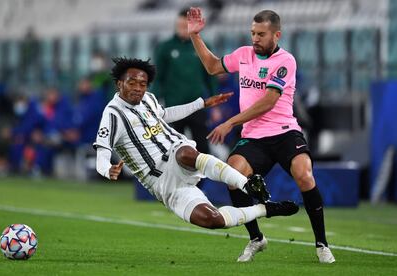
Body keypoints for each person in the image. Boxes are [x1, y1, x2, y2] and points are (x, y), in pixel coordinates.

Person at [187, 7, 335, 263]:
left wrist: (230, 122)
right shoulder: (244, 54)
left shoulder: (285, 61)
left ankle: (321, 244)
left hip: (284, 131)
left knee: (304, 173)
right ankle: (256, 239)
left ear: (276, 35)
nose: (255, 38)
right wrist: (195, 36)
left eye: (261, 34)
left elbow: (268, 101)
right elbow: (212, 67)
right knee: (233, 177)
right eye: (253, 33)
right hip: (254, 137)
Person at [93, 57, 298, 235]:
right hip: (163, 183)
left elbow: (164, 114)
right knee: (213, 220)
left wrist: (202, 103)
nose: (138, 88)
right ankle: (265, 209)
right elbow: (102, 151)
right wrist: (106, 170)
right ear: (119, 84)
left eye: (143, 83)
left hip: (174, 151)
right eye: (132, 83)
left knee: (184, 153)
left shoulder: (148, 99)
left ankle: (247, 185)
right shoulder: (112, 115)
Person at [152, 8, 218, 154]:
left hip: (197, 104)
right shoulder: (165, 47)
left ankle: (203, 177)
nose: (182, 29)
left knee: (202, 146)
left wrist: (215, 106)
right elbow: (158, 78)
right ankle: (176, 177)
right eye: (179, 26)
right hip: (173, 107)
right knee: (174, 147)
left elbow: (211, 75)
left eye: (185, 26)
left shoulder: (202, 46)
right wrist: (153, 102)